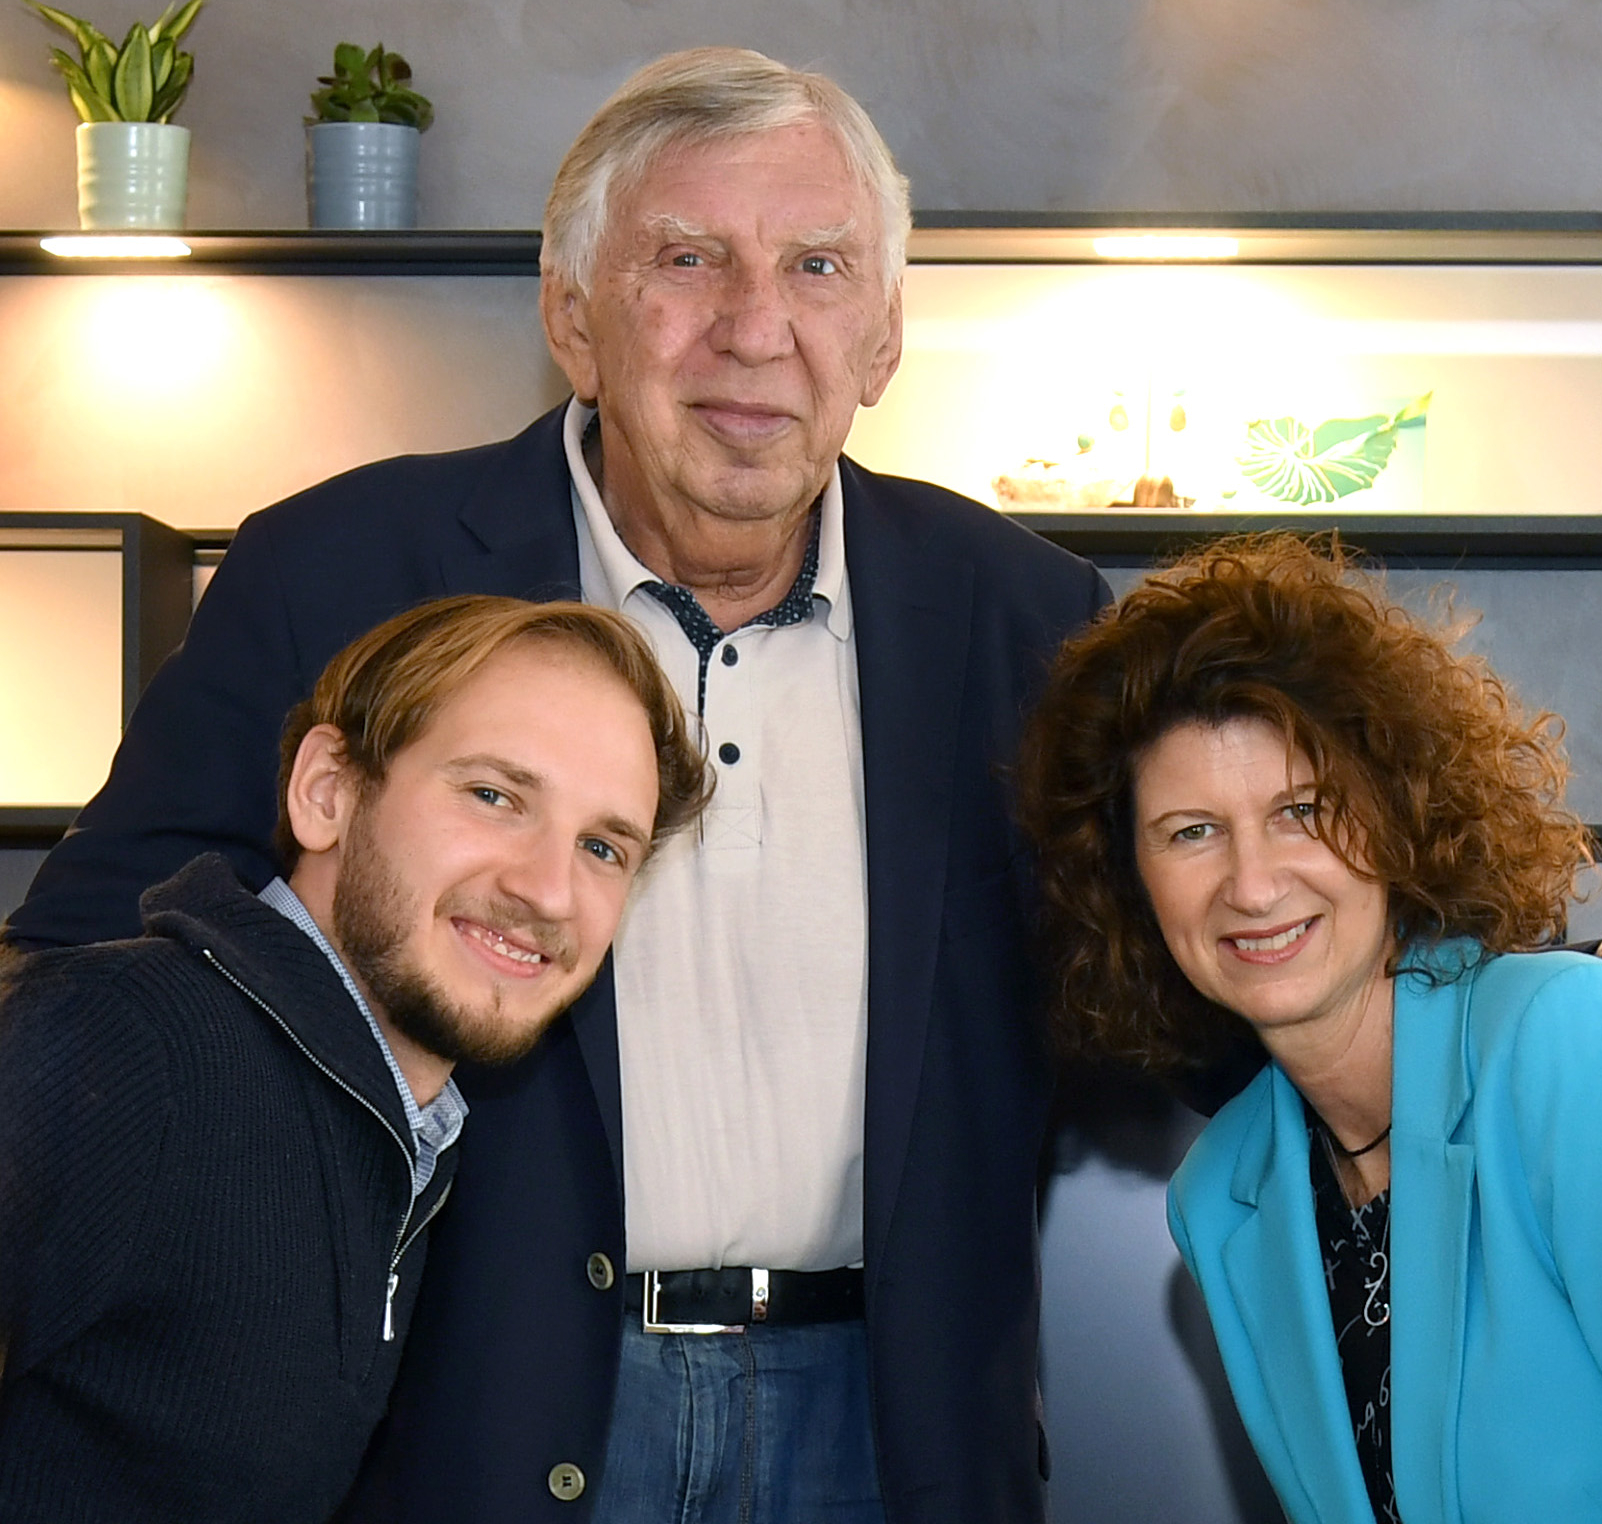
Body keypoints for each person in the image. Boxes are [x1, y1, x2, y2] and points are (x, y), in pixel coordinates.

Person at [1, 46, 1110, 1524]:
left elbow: (1136, 1008)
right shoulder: (331, 569)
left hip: (894, 1422)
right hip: (468, 1406)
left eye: (819, 266)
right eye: (687, 259)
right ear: (571, 314)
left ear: (886, 338)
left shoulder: (1032, 618)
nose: (755, 327)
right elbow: (105, 950)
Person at [0, 594, 709, 1522]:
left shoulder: (401, 1131)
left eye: (602, 847)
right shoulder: (119, 1042)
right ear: (328, 791)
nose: (548, 889)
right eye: (495, 796)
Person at [1016, 533, 1602, 1524]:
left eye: (1300, 809)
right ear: (1131, 881)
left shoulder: (1563, 1045)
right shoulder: (1223, 1194)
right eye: (1191, 832)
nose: (1251, 884)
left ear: (1397, 810)